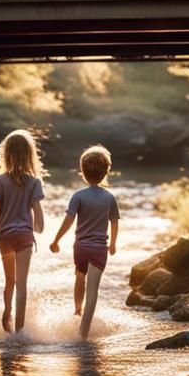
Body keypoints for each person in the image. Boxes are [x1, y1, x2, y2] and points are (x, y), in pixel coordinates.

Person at [0, 129, 45, 334]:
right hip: (24, 237)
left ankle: (7, 312)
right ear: (30, 154)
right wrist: (38, 228)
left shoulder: (0, 180)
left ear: (6, 154)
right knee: (21, 285)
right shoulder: (34, 182)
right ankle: (20, 331)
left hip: (5, 238)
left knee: (9, 282)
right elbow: (38, 215)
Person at [49, 145, 119, 339]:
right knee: (93, 289)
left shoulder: (78, 196)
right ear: (106, 172)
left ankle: (77, 309)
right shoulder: (110, 198)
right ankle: (83, 333)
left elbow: (69, 220)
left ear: (83, 172)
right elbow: (114, 222)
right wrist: (113, 243)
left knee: (79, 276)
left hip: (80, 247)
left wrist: (56, 240)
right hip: (99, 248)